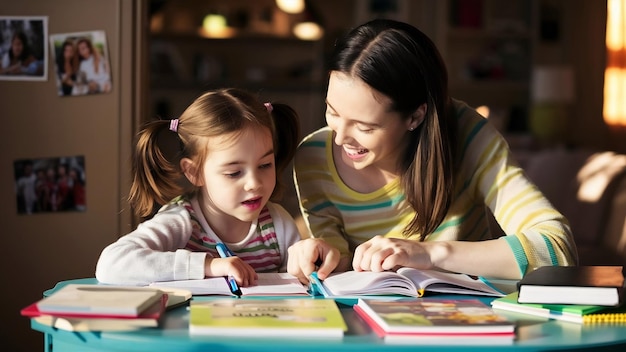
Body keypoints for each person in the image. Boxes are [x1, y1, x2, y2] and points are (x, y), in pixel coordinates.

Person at [287, 19, 578, 285]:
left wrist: (430, 254)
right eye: (332, 112)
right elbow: (339, 268)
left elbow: (556, 249)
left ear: (415, 117)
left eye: (365, 127)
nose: (340, 139)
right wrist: (319, 255)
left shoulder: (467, 135)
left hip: (468, 322)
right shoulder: (314, 158)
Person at [95, 88, 302, 286]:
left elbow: (301, 290)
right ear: (194, 172)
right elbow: (111, 264)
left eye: (265, 165)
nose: (254, 183)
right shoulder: (181, 220)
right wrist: (207, 265)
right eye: (234, 173)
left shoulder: (279, 224)